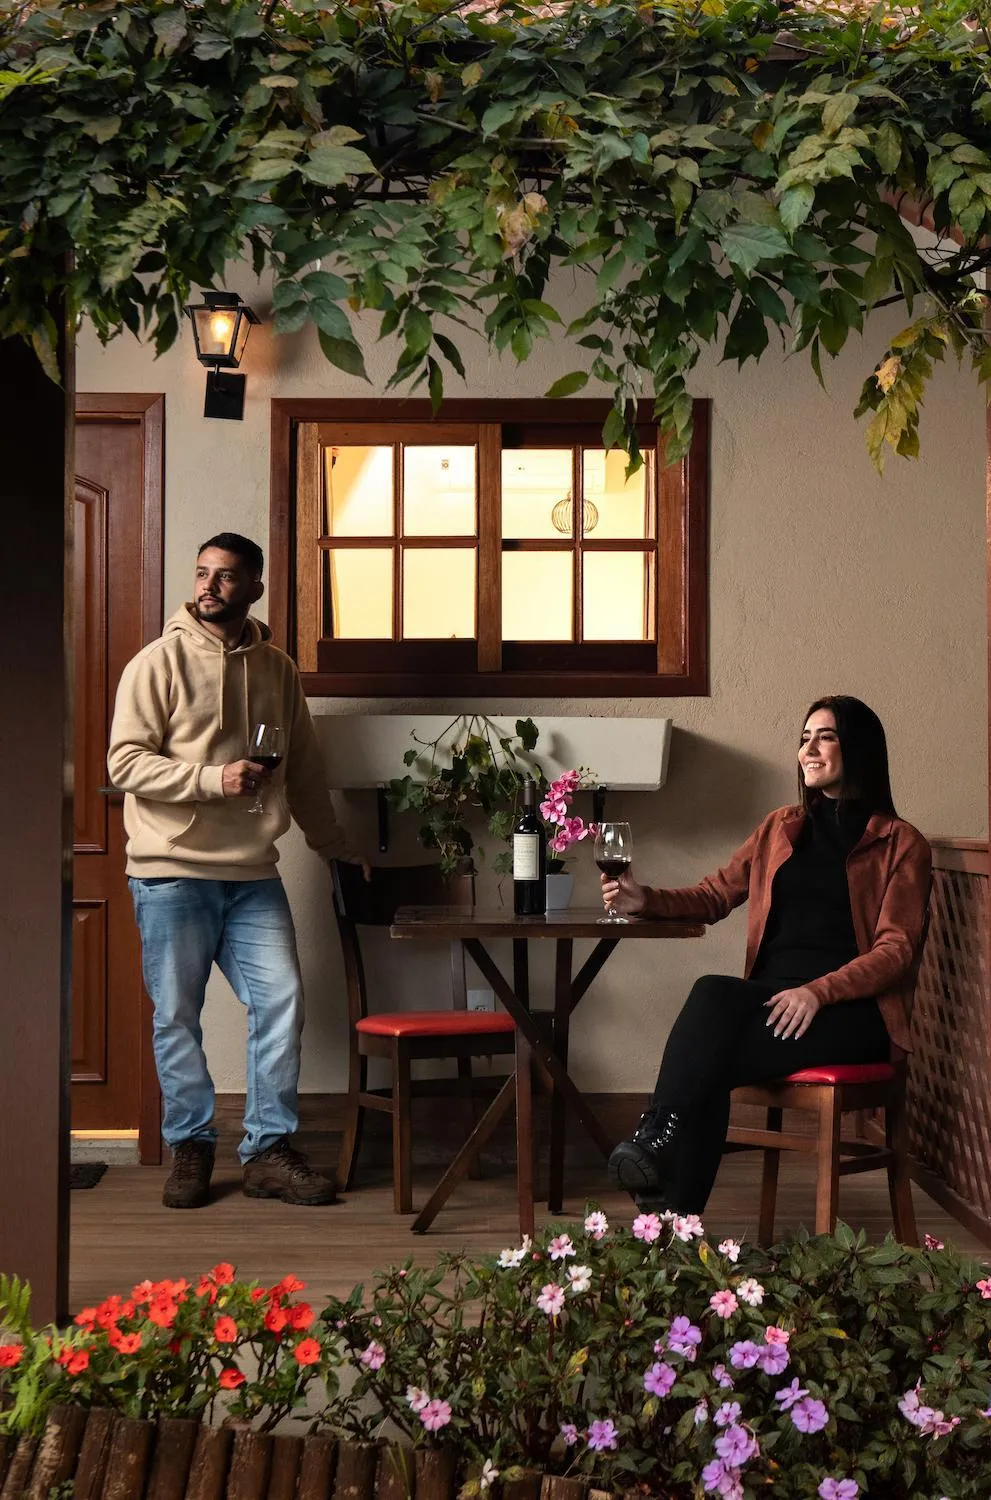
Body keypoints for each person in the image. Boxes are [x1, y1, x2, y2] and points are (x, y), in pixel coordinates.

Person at [108, 532, 367, 1210]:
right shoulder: (156, 663)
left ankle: (267, 1151)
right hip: (169, 870)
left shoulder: (277, 669)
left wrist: (334, 847)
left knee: (281, 1002)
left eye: (225, 576)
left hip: (252, 874)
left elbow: (303, 768)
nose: (209, 585)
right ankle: (191, 1146)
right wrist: (211, 778)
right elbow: (123, 763)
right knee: (177, 1016)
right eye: (202, 573)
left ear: (254, 586)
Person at [603, 696, 931, 1216]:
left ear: (860, 748)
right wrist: (647, 900)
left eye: (825, 737)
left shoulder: (901, 843)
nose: (809, 750)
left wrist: (817, 992)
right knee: (712, 1008)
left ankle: (664, 1195)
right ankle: (666, 1191)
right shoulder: (780, 827)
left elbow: (896, 951)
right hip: (775, 1005)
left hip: (851, 1015)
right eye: (804, 738)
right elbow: (714, 895)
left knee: (708, 1054)